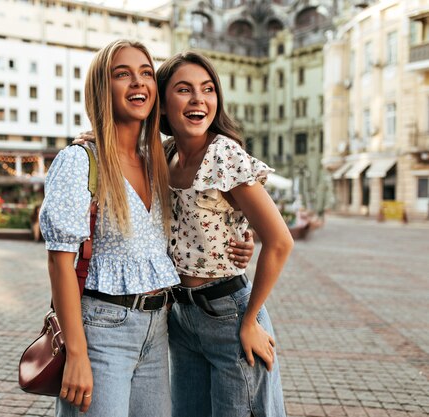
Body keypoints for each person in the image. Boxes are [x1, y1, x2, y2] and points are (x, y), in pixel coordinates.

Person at [39, 39, 180, 417]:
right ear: (103, 87)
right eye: (123, 74)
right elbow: (59, 264)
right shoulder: (79, 160)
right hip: (102, 330)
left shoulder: (158, 162)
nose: (138, 83)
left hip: (158, 328)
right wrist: (78, 354)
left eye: (146, 73)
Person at [157, 51, 293, 416]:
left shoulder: (223, 154)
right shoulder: (164, 155)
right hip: (181, 318)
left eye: (208, 89)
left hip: (230, 317)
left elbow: (280, 242)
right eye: (184, 89)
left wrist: (250, 320)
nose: (199, 99)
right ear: (163, 104)